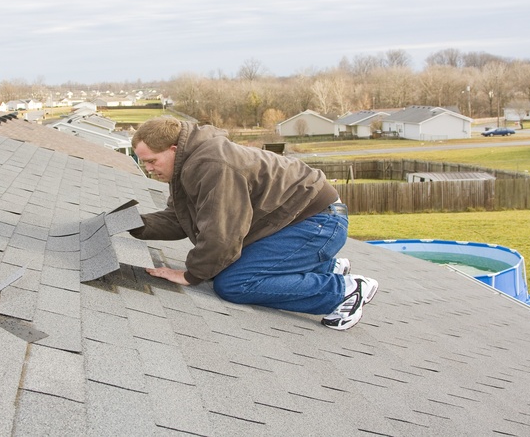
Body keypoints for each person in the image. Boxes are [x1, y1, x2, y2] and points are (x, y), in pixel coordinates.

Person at [129, 116, 378, 330]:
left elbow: (222, 235)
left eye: (152, 161)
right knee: (223, 269)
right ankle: (327, 268)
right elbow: (178, 219)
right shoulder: (188, 165)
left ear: (173, 149)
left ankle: (343, 291)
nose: (148, 169)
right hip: (294, 222)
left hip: (317, 223)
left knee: (234, 284)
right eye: (144, 163)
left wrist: (190, 275)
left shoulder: (213, 164)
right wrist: (132, 224)